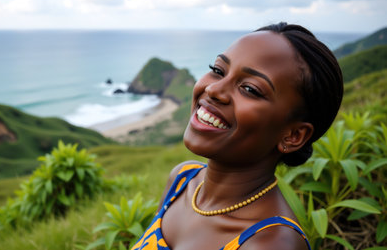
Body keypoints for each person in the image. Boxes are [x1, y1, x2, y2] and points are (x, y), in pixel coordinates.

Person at [131, 22, 343, 250]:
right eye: (218, 70)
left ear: (293, 135)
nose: (213, 90)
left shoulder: (270, 244)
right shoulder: (182, 180)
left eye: (250, 89)